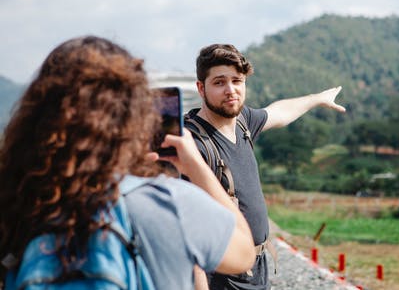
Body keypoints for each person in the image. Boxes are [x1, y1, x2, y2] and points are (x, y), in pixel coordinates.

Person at [0, 36, 254, 289]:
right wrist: (195, 165)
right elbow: (243, 253)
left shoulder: (19, 202)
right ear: (135, 116)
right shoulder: (169, 202)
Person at [187, 44, 346, 290]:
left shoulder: (242, 122)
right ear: (201, 88)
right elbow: (189, 231)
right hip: (221, 276)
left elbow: (279, 112)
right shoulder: (193, 144)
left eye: (237, 81)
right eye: (219, 82)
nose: (231, 90)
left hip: (255, 269)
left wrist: (317, 99)